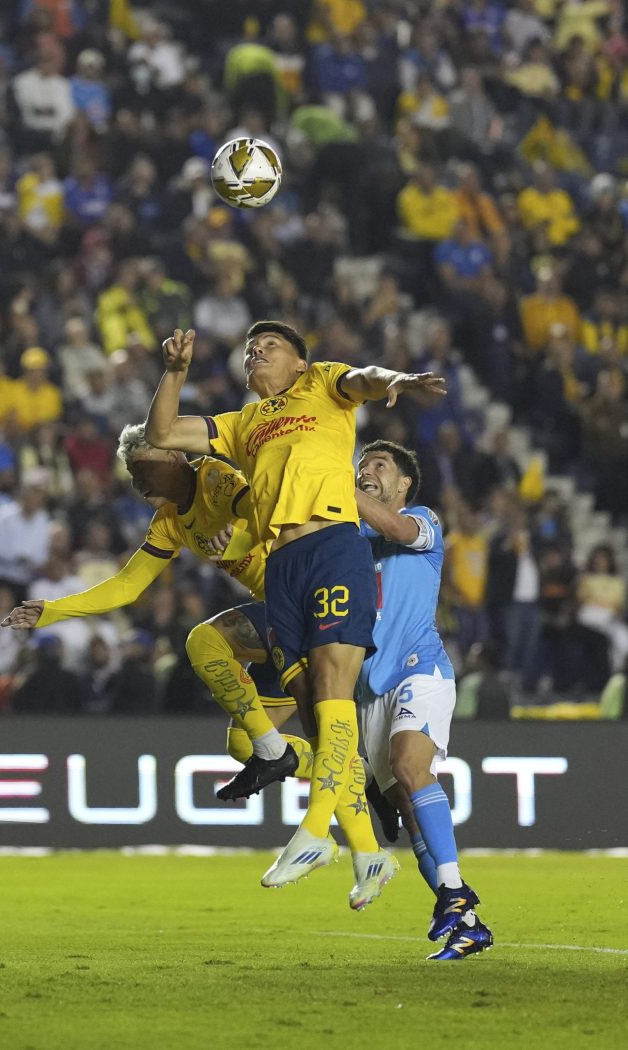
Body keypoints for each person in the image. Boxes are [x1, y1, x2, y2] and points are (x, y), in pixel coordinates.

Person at [143, 321, 445, 907]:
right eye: (250, 348)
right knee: (312, 709)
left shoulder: (323, 385)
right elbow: (162, 430)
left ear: (301, 364)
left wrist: (398, 379)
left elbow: (364, 377)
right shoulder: (242, 425)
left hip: (332, 545)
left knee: (333, 686)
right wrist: (175, 372)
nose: (256, 352)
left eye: (271, 346)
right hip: (281, 565)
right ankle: (369, 854)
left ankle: (313, 831)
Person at [2, 423, 311, 778]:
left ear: (175, 455)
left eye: (145, 468)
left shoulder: (212, 475)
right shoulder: (168, 523)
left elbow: (265, 510)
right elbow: (127, 585)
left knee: (205, 642)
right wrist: (53, 610)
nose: (139, 482)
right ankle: (351, 774)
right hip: (276, 615)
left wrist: (239, 537)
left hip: (301, 594)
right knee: (243, 745)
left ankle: (276, 754)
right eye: (133, 473)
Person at [354, 439, 493, 960]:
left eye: (379, 466)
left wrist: (337, 487)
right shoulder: (350, 536)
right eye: (362, 464)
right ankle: (468, 924)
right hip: (369, 686)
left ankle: (455, 891)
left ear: (403, 482)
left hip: (420, 667)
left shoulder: (421, 519)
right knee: (409, 817)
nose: (367, 471)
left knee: (413, 769)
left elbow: (394, 529)